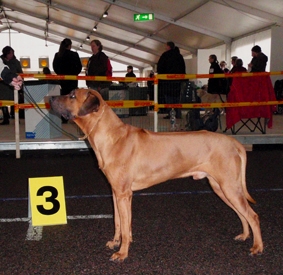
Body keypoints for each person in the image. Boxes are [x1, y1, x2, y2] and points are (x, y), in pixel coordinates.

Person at [53, 38, 82, 123]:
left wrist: (61, 74)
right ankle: (74, 116)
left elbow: (55, 67)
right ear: (70, 46)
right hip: (72, 80)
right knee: (73, 99)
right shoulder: (74, 55)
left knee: (63, 99)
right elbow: (79, 67)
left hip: (63, 80)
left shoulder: (58, 55)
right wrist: (74, 73)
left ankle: (64, 118)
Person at [157, 41, 186, 119]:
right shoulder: (179, 56)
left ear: (168, 47)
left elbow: (160, 68)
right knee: (177, 98)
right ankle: (178, 114)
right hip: (178, 82)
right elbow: (183, 69)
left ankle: (171, 114)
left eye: (166, 46)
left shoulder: (165, 56)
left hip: (167, 82)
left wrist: (161, 78)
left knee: (169, 98)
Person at [0, 46, 23, 124]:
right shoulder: (1, 61)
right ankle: (6, 118)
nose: (11, 55)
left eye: (12, 53)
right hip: (2, 86)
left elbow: (20, 72)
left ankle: (16, 117)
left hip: (13, 84)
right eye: (10, 53)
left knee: (15, 100)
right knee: (3, 102)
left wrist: (18, 78)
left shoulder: (16, 62)